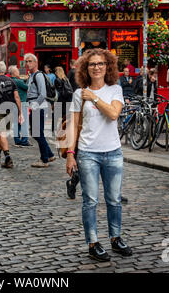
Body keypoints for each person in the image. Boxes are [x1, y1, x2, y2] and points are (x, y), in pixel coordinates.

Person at [66, 48, 132, 262]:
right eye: (92, 64)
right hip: (88, 154)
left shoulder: (115, 90)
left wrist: (93, 97)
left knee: (114, 200)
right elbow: (74, 126)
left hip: (113, 152)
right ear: (86, 68)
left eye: (101, 63)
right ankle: (93, 243)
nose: (96, 67)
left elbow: (113, 114)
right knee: (90, 201)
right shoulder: (78, 94)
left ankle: (115, 237)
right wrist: (70, 153)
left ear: (108, 67)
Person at [0, 61, 23, 168]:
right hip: (10, 109)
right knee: (1, 132)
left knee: (1, 133)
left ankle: (8, 158)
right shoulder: (11, 80)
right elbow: (17, 97)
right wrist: (20, 112)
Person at [25, 53, 56, 168]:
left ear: (35, 62)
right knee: (36, 133)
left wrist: (35, 105)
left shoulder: (38, 75)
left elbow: (42, 93)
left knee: (37, 133)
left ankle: (44, 160)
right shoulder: (32, 76)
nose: (28, 64)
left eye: (30, 61)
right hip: (35, 106)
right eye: (26, 62)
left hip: (38, 107)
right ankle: (49, 154)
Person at [9, 65, 31, 147]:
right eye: (17, 70)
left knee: (16, 122)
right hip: (22, 103)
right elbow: (28, 87)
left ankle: (17, 139)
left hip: (14, 104)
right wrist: (28, 79)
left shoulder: (11, 80)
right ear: (14, 73)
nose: (19, 72)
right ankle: (24, 140)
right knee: (24, 122)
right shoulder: (18, 81)